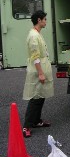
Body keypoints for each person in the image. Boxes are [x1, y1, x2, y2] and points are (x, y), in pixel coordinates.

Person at [22, 10, 54, 138]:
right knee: (35, 97)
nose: (46, 21)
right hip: (37, 70)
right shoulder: (34, 36)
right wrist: (40, 73)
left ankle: (36, 121)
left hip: (41, 68)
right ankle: (26, 126)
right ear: (39, 20)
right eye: (44, 19)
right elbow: (35, 56)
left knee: (41, 96)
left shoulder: (36, 33)